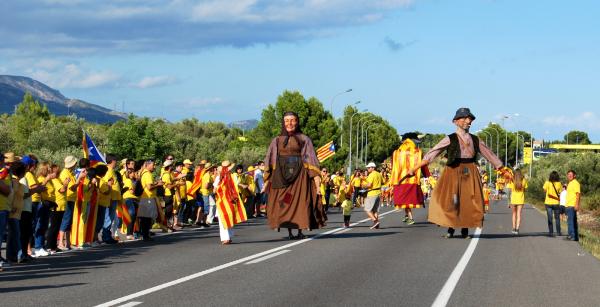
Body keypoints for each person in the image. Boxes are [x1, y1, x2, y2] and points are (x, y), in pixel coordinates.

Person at [409, 108, 507, 238]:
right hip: (453, 171)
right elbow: (433, 152)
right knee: (451, 201)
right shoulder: (449, 138)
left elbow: (489, 154)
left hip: (470, 171)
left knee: (468, 201)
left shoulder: (475, 139)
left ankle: (465, 231)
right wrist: (415, 168)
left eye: (470, 119)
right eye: (465, 118)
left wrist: (502, 168)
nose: (469, 121)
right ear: (455, 121)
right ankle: (450, 229)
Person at [264, 111, 326, 240]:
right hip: (281, 177)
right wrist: (266, 182)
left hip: (300, 178)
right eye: (286, 120)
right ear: (283, 122)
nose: (289, 123)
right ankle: (290, 232)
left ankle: (299, 231)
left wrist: (318, 185)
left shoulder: (304, 139)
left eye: (292, 120)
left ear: (297, 122)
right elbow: (270, 161)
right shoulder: (276, 140)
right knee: (285, 203)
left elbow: (312, 161)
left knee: (301, 203)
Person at [390, 132, 429, 226]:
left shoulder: (396, 153)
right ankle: (407, 216)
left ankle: (410, 217)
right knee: (407, 200)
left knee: (405, 200)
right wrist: (427, 175)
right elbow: (423, 165)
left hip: (399, 180)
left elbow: (393, 167)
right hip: (412, 179)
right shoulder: (417, 152)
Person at [138, 160, 163, 241]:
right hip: (147, 198)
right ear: (148, 165)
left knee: (145, 218)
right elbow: (149, 187)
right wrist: (158, 184)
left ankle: (145, 234)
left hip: (145, 198)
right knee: (146, 218)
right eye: (153, 165)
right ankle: (145, 235)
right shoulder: (147, 174)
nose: (154, 167)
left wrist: (155, 183)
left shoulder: (144, 173)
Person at [363, 162, 384, 229]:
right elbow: (383, 182)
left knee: (367, 209)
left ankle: (375, 221)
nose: (368, 169)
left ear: (372, 168)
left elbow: (369, 185)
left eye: (369, 167)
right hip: (378, 192)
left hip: (372, 193)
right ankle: (377, 225)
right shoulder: (379, 174)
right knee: (375, 210)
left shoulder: (372, 175)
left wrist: (364, 186)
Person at [507, 168, 527, 235]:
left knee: (514, 214)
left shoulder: (512, 180)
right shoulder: (523, 180)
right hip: (521, 199)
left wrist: (508, 201)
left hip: (513, 199)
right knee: (519, 214)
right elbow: (525, 189)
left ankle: (513, 228)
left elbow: (509, 191)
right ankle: (517, 229)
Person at [542, 171, 562, 237]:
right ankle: (558, 232)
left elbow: (544, 190)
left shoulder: (547, 182)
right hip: (556, 203)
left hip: (548, 203)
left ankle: (551, 232)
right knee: (557, 218)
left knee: (550, 218)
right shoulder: (559, 183)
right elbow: (560, 193)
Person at [564, 170, 580, 241]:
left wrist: (576, 204)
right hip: (568, 205)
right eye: (568, 175)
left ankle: (572, 236)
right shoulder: (570, 183)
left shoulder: (575, 183)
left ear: (574, 175)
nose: (569, 176)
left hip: (572, 205)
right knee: (572, 221)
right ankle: (574, 236)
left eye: (571, 174)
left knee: (570, 221)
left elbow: (578, 194)